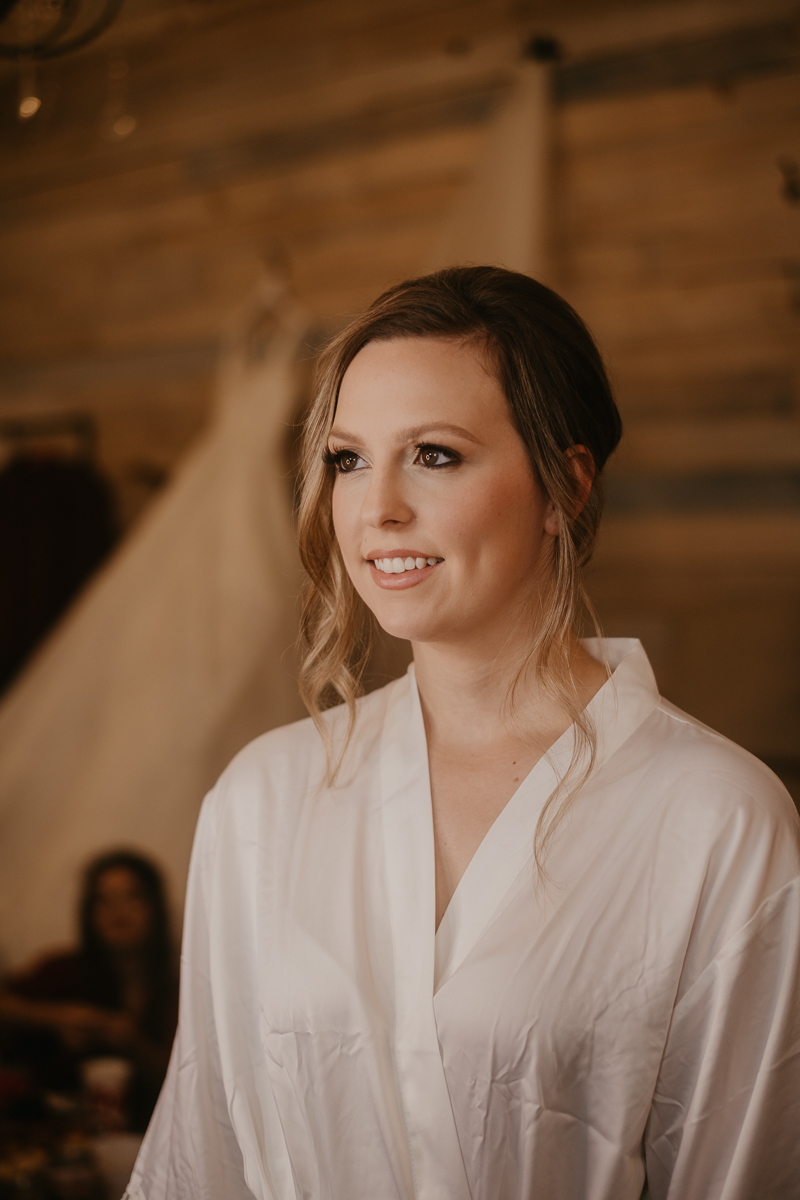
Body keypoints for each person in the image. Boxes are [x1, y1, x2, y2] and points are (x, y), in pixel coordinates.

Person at [126, 267, 800, 1200]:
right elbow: (200, 1159)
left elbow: (747, 1170)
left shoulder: (715, 817)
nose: (376, 508)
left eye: (435, 454)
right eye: (348, 459)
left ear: (565, 486)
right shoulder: (263, 798)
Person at [0, 850, 178, 1130]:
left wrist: (133, 1042)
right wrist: (60, 1018)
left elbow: (189, 1079)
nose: (118, 911)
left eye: (132, 896)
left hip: (155, 1136)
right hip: (65, 1138)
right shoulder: (64, 971)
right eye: (104, 900)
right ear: (89, 912)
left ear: (155, 906)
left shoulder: (179, 984)